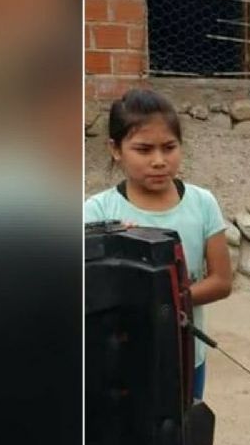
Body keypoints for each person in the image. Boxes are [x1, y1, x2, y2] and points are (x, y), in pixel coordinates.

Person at [84, 89, 232, 400]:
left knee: (183, 436)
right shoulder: (99, 213)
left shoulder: (202, 203)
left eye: (169, 147)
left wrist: (167, 302)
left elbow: (221, 281)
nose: (159, 161)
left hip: (185, 355)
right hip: (121, 358)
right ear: (115, 149)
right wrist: (116, 248)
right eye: (143, 149)